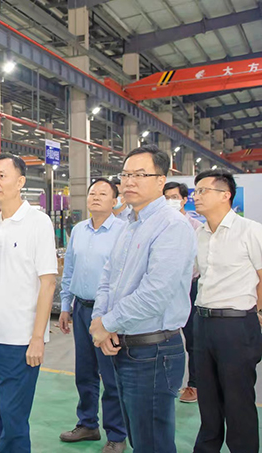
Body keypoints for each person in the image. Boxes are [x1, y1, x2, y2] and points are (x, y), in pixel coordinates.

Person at [89, 145, 196, 453]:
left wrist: (107, 323)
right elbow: (108, 278)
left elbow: (155, 293)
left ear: (161, 180)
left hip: (154, 351)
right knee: (139, 438)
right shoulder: (129, 225)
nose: (129, 182)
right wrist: (100, 320)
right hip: (125, 346)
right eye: (125, 175)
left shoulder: (172, 226)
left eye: (140, 175)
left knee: (152, 442)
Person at [0, 153, 57, 452]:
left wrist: (37, 338)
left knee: (14, 417)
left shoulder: (38, 223)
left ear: (20, 182)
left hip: (20, 340)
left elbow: (47, 283)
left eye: (2, 176)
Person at [192, 169, 262, 453]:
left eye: (203, 191)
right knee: (207, 398)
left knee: (237, 399)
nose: (196, 197)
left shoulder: (250, 230)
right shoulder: (199, 233)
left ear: (225, 195)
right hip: (203, 322)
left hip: (236, 325)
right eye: (196, 191)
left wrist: (259, 314)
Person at [59, 178, 127, 453]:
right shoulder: (78, 230)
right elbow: (69, 269)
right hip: (81, 309)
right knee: (84, 372)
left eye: (103, 193)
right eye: (92, 193)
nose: (95, 197)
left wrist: (114, 319)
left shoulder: (124, 231)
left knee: (111, 376)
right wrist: (66, 305)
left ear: (115, 201)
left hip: (107, 315)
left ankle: (117, 434)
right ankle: (87, 424)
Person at [163, 181, 201, 403]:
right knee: (164, 334)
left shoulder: (195, 227)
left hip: (190, 286)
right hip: (165, 287)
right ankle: (167, 382)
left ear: (185, 200)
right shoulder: (160, 225)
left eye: (175, 197)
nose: (171, 201)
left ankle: (194, 385)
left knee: (193, 338)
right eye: (166, 197)